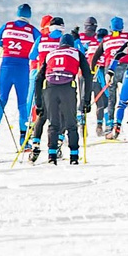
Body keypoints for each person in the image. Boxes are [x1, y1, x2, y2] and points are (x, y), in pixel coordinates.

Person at [0, 3, 42, 148]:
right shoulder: (32, 31)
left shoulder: (7, 26)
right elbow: (42, 44)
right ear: (29, 15)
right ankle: (23, 139)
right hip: (22, 69)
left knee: (2, 99)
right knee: (22, 104)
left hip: (6, 67)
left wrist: (4, 43)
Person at [38, 22, 88, 164]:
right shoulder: (76, 53)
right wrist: (86, 100)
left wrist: (39, 102)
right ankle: (73, 156)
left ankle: (51, 156)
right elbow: (87, 76)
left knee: (53, 124)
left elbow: (38, 78)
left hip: (50, 89)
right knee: (71, 124)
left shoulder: (50, 54)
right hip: (67, 88)